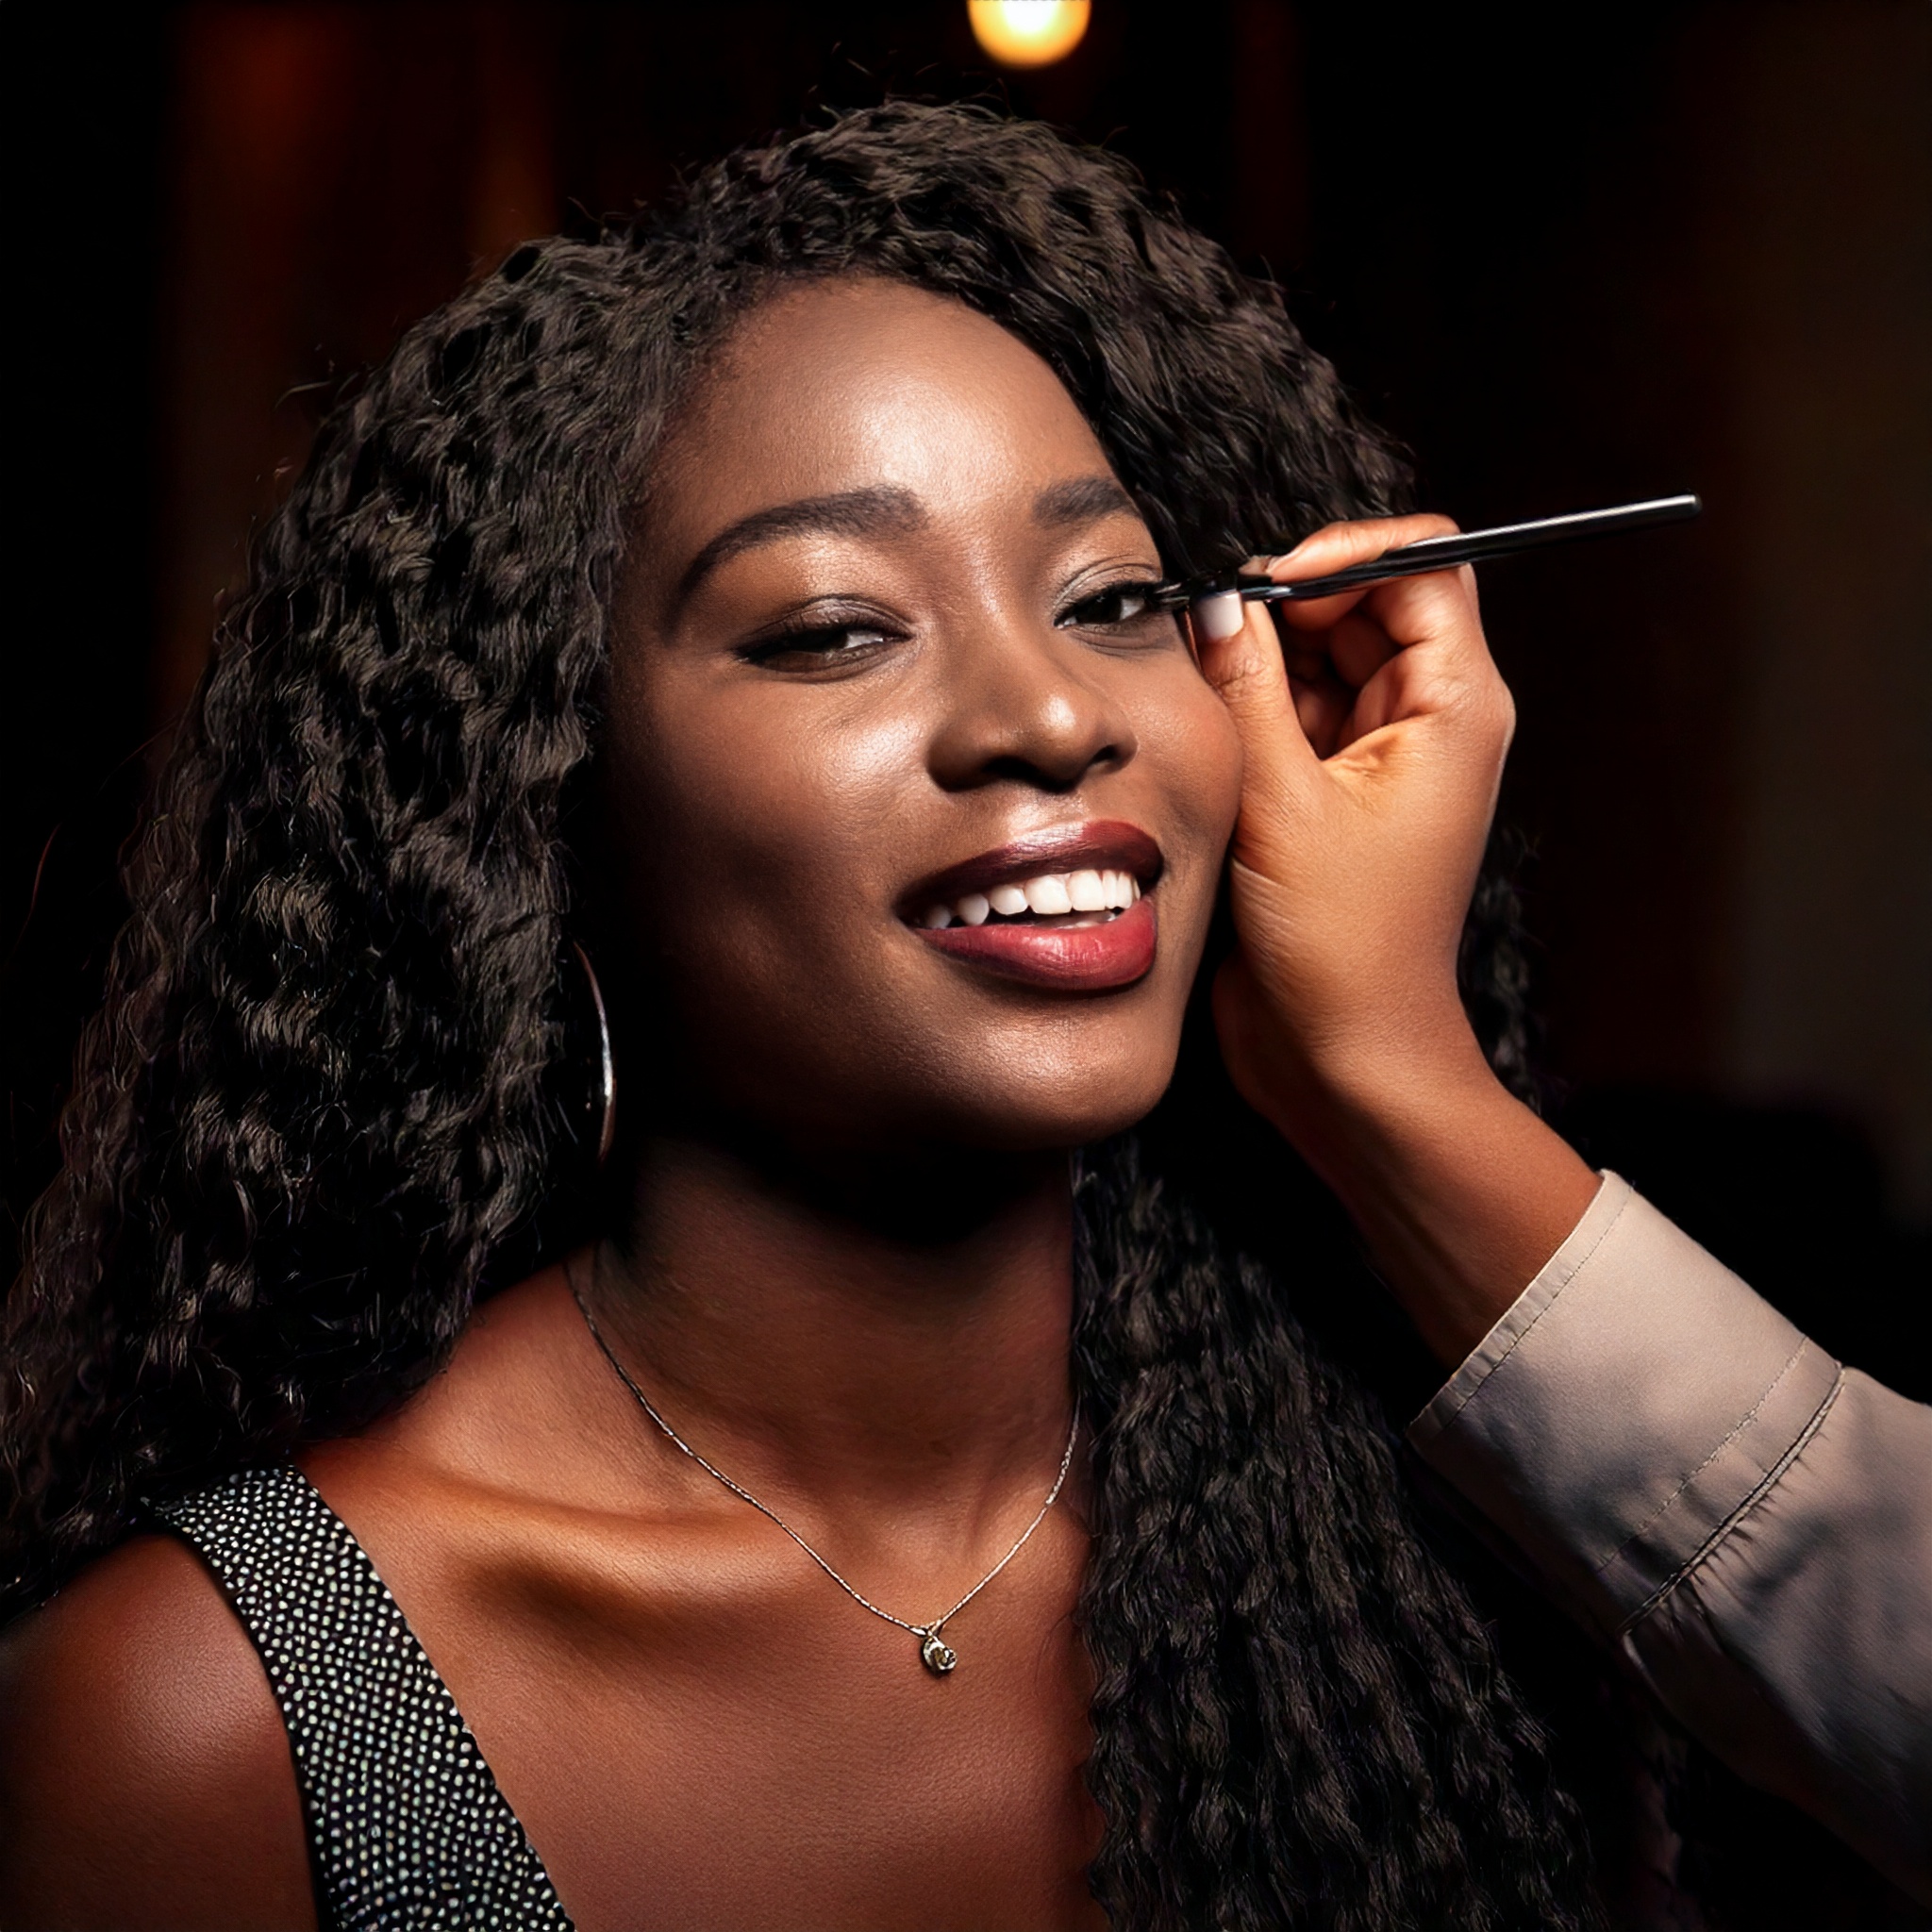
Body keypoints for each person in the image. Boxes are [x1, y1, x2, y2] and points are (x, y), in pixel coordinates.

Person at [0, 103, 1924, 1930]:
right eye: (837, 626)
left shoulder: (1440, 1571)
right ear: (544, 804)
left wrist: (1384, 1066)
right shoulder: (226, 1715)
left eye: (1111, 600)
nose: (1049, 713)